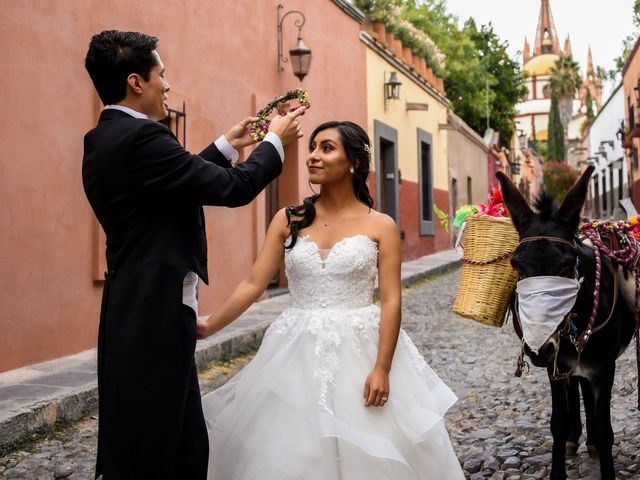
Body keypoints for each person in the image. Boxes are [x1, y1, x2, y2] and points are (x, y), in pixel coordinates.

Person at [82, 30, 304, 480]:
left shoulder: (107, 137)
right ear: (136, 82)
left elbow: (170, 187)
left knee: (180, 439)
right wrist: (274, 142)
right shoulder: (142, 139)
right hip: (153, 313)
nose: (168, 85)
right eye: (162, 75)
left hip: (141, 307)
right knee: (156, 441)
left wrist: (227, 144)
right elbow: (234, 189)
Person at [197, 121, 464, 479]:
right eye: (312, 147)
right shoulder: (288, 219)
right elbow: (252, 283)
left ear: (353, 162)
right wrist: (210, 325)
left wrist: (382, 367)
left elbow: (390, 301)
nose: (312, 156)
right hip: (293, 350)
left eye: (326, 148)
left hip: (361, 349)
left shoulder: (380, 225)